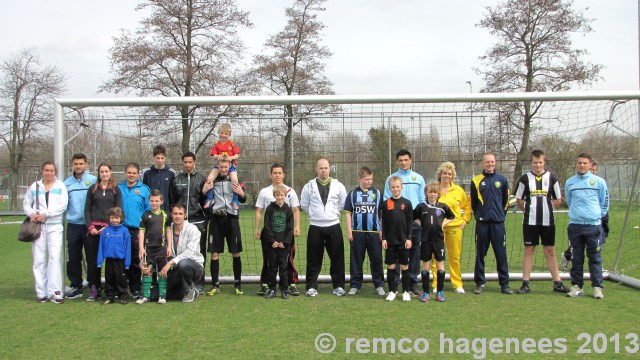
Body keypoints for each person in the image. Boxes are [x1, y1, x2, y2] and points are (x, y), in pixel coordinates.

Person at [514, 150, 570, 294]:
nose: (538, 165)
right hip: (530, 221)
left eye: (540, 162)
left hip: (548, 221)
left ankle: (557, 283)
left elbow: (558, 199)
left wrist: (547, 208)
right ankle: (525, 283)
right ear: (531, 163)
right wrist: (528, 209)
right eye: (535, 162)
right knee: (529, 250)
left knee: (549, 251)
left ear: (544, 162)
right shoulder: (524, 179)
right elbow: (519, 199)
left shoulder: (552, 178)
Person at [300, 158, 347, 297]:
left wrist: (333, 214)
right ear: (316, 169)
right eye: (321, 168)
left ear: (329, 169)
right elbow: (304, 204)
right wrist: (316, 215)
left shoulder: (339, 185)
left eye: (326, 168)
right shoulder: (308, 186)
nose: (323, 170)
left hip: (334, 226)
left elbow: (343, 203)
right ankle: (311, 287)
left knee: (337, 258)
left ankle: (338, 286)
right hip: (315, 226)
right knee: (313, 258)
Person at [565, 153, 609, 299]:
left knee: (595, 257)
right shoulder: (570, 182)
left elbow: (604, 203)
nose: (582, 165)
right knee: (576, 257)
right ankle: (577, 286)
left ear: (590, 165)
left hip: (593, 226)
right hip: (575, 226)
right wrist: (578, 215)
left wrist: (594, 216)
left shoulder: (599, 182)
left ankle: (597, 287)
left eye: (585, 163)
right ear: (576, 164)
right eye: (579, 163)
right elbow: (570, 202)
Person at [24, 161, 69, 303]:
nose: (49, 173)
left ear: (55, 172)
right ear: (42, 171)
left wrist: (47, 214)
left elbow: (63, 205)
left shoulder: (60, 186)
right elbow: (26, 203)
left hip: (54, 226)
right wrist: (32, 214)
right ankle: (41, 292)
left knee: (55, 258)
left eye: (51, 170)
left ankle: (55, 292)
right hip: (38, 226)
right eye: (46, 170)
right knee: (39, 259)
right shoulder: (34, 186)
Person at [254, 164, 302, 296]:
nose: (277, 175)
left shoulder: (290, 191)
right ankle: (266, 284)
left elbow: (296, 210)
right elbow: (259, 211)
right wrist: (257, 228)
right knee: (269, 259)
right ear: (271, 174)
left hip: (285, 235)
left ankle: (290, 284)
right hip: (270, 234)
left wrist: (297, 226)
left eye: (279, 172)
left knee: (288, 260)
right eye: (274, 173)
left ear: (283, 174)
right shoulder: (264, 191)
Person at [383, 149, 425, 296]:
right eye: (401, 160)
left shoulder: (418, 178)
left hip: (413, 224)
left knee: (413, 254)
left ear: (410, 160)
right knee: (394, 256)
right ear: (397, 162)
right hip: (395, 226)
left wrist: (420, 220)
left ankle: (412, 285)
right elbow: (386, 203)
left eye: (406, 160)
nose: (403, 162)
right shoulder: (391, 178)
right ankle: (394, 286)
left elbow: (422, 201)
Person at [203, 158, 247, 296]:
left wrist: (241, 192)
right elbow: (202, 197)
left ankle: (238, 284)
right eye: (221, 167)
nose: (223, 169)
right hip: (216, 220)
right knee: (214, 253)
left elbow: (244, 199)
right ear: (218, 166)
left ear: (230, 166)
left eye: (225, 167)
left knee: (235, 251)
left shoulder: (235, 179)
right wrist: (204, 192)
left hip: (232, 219)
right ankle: (215, 284)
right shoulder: (212, 180)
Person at [471, 152, 513, 295]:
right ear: (483, 163)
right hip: (482, 224)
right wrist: (480, 214)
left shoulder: (502, 179)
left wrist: (500, 214)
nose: (490, 164)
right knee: (480, 254)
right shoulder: (476, 181)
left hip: (498, 224)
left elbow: (506, 200)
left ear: (495, 163)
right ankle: (480, 283)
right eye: (487, 162)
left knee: (501, 253)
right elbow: (474, 203)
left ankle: (505, 284)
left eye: (492, 162)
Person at [344, 166, 385, 296]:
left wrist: (382, 230)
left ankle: (379, 285)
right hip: (357, 232)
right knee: (356, 260)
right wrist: (349, 231)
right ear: (359, 179)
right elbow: (348, 213)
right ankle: (355, 285)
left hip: (374, 233)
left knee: (376, 259)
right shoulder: (352, 194)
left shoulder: (377, 193)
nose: (369, 182)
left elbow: (382, 213)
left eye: (371, 179)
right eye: (366, 179)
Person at [170, 151, 208, 292]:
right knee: (179, 249)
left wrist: (205, 219)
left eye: (190, 162)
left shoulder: (201, 179)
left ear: (194, 162)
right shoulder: (176, 180)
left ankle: (200, 282)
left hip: (198, 220)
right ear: (182, 163)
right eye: (185, 162)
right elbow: (173, 201)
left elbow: (206, 202)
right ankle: (181, 281)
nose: (187, 165)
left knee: (199, 251)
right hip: (181, 221)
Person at [432, 161, 471, 295]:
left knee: (454, 257)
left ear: (452, 176)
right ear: (440, 174)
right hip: (437, 229)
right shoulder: (434, 189)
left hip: (455, 228)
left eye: (450, 174)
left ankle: (457, 283)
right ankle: (436, 283)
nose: (447, 176)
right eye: (444, 173)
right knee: (436, 257)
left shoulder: (458, 190)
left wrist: (465, 220)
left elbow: (467, 207)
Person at [84, 162, 122, 301]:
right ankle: (95, 288)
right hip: (94, 231)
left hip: (110, 230)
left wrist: (108, 227)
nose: (104, 174)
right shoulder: (92, 189)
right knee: (94, 261)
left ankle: (113, 289)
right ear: (99, 173)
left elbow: (119, 210)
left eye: (106, 171)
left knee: (113, 261)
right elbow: (87, 210)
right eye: (102, 172)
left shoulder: (116, 190)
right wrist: (91, 228)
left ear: (111, 172)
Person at [63, 153, 97, 299]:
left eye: (81, 163)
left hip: (89, 226)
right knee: (73, 257)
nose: (78, 166)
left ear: (86, 165)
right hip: (73, 226)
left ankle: (93, 285)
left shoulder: (94, 180)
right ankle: (76, 285)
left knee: (91, 257)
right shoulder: (67, 183)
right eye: (76, 164)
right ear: (72, 165)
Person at [415, 182, 455, 302]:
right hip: (425, 240)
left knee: (440, 266)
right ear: (426, 193)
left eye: (435, 192)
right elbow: (413, 217)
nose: (432, 194)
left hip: (438, 240)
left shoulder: (443, 207)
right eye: (430, 192)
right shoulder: (421, 207)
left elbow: (452, 217)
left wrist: (443, 224)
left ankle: (440, 292)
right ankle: (426, 293)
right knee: (426, 266)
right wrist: (421, 224)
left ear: (438, 194)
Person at [117, 162, 151, 300]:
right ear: (125, 173)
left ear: (138, 174)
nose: (131, 175)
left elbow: (148, 210)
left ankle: (136, 288)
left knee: (136, 259)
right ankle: (122, 288)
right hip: (121, 229)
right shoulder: (118, 188)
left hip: (137, 230)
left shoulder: (144, 189)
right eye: (129, 172)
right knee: (121, 259)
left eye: (134, 173)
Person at [161, 203, 205, 303]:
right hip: (175, 269)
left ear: (185, 215)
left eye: (180, 214)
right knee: (157, 295)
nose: (177, 216)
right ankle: (189, 291)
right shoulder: (167, 229)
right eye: (175, 213)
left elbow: (189, 253)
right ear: (171, 215)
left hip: (194, 267)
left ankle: (189, 290)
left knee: (183, 263)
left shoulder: (193, 230)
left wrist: (170, 262)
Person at [381, 176, 413, 302]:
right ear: (389, 188)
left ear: (402, 187)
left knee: (405, 266)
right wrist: (383, 238)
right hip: (390, 241)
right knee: (391, 267)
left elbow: (410, 222)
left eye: (397, 187)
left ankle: (405, 291)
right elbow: (383, 223)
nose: (395, 189)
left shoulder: (407, 203)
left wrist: (409, 238)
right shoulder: (386, 204)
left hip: (403, 241)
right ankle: (392, 291)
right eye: (393, 187)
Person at [136, 189, 172, 304]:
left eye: (157, 201)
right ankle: (145, 296)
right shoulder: (145, 215)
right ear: (149, 201)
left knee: (162, 271)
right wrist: (141, 248)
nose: (154, 203)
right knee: (147, 270)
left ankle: (162, 296)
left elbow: (168, 232)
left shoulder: (165, 214)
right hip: (148, 248)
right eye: (152, 201)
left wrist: (169, 246)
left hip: (161, 248)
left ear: (161, 201)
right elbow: (141, 232)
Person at [261, 185, 294, 299]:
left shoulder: (288, 210)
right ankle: (272, 289)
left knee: (284, 267)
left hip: (284, 245)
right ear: (274, 196)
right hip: (272, 245)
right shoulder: (270, 209)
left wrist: (285, 242)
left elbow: (290, 228)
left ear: (285, 196)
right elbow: (267, 226)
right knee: (272, 267)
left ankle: (284, 290)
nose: (279, 197)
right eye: (277, 195)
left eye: (282, 195)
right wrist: (272, 241)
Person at [96, 207, 131, 305]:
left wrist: (127, 262)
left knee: (121, 278)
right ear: (109, 218)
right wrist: (100, 261)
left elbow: (128, 248)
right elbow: (101, 247)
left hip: (121, 260)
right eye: (112, 218)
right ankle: (109, 297)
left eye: (117, 218)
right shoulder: (105, 231)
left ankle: (123, 296)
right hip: (109, 259)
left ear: (121, 218)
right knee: (109, 278)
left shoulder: (125, 231)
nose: (114, 220)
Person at [204, 123, 241, 209]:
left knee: (234, 180)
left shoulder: (232, 144)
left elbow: (237, 155)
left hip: (230, 166)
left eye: (226, 134)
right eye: (222, 133)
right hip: (219, 166)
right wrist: (218, 156)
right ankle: (210, 199)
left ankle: (235, 200)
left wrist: (231, 158)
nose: (223, 135)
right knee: (209, 179)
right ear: (218, 132)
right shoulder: (216, 144)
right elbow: (213, 155)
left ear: (229, 135)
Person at [142, 144, 176, 214]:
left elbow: (173, 194)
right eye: (157, 158)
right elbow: (144, 192)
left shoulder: (171, 173)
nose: (160, 160)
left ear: (165, 158)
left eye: (162, 158)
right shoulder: (146, 173)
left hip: (166, 210)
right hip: (150, 210)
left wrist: (172, 208)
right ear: (153, 158)